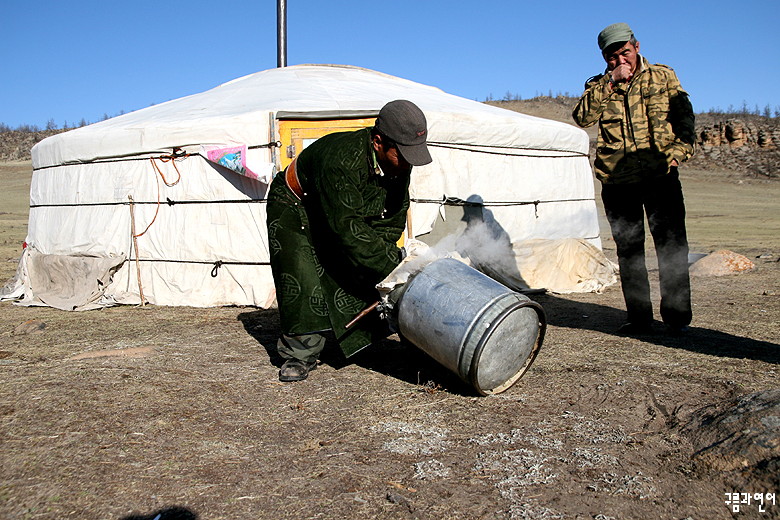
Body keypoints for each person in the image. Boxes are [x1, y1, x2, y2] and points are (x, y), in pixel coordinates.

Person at [266, 100, 432, 381]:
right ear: (378, 142)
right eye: (402, 155)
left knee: (365, 264)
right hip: (295, 206)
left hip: (337, 211)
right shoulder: (340, 160)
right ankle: (300, 353)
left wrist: (390, 257)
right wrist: (394, 264)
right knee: (302, 274)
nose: (407, 163)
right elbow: (348, 231)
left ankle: (359, 336)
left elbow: (393, 212)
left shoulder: (401, 160)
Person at [572, 23, 695, 335]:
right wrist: (609, 83)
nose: (620, 60)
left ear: (637, 47)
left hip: (660, 176)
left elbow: (684, 118)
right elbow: (582, 118)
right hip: (618, 182)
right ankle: (639, 318)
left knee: (671, 246)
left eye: (624, 53)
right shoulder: (599, 84)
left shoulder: (663, 76)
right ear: (604, 58)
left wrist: (679, 153)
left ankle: (677, 317)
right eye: (612, 57)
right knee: (629, 250)